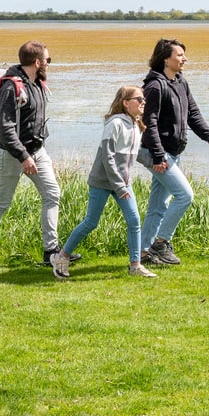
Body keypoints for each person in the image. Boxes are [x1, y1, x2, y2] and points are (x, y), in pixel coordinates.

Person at [0, 40, 66, 268]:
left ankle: (51, 252)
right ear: (37, 62)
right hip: (12, 154)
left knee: (52, 194)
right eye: (48, 60)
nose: (49, 63)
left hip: (37, 151)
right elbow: (5, 130)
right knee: (3, 202)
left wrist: (34, 151)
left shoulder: (37, 83)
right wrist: (23, 157)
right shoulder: (11, 86)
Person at [52, 86, 154, 279]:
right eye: (139, 99)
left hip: (122, 183)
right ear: (125, 103)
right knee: (91, 222)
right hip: (103, 181)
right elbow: (108, 157)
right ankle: (61, 256)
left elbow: (134, 154)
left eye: (143, 99)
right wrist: (119, 185)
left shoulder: (135, 124)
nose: (143, 103)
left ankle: (135, 266)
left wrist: (156, 162)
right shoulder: (115, 123)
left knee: (134, 221)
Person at [137, 37, 209, 267]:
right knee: (185, 196)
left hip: (173, 152)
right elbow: (149, 123)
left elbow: (192, 112)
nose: (184, 59)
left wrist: (208, 135)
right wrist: (158, 155)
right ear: (166, 58)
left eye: (184, 55)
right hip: (158, 153)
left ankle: (143, 254)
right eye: (179, 55)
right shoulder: (154, 86)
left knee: (158, 206)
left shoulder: (180, 82)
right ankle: (161, 243)